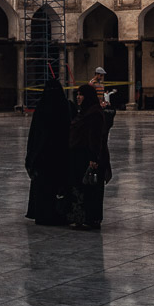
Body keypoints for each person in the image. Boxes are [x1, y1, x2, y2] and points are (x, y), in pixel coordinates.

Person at [24, 79, 71, 225]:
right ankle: (59, 213)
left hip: (43, 156)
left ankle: (42, 213)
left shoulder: (42, 107)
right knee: (58, 186)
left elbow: (35, 135)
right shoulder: (66, 106)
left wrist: (31, 156)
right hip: (61, 155)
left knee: (44, 187)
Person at [67, 83, 111, 229]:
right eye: (78, 94)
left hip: (91, 157)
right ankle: (82, 218)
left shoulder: (95, 114)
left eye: (81, 94)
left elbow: (96, 138)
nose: (78, 97)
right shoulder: (85, 112)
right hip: (81, 156)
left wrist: (94, 158)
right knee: (83, 189)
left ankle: (91, 219)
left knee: (92, 190)